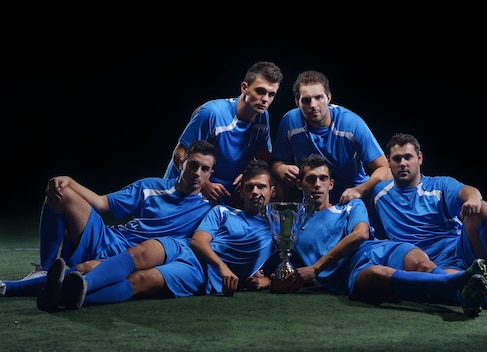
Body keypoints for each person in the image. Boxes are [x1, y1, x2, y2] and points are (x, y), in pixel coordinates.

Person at [275, 154, 487, 317]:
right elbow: (283, 264)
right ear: (301, 184)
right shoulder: (291, 222)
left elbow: (361, 234)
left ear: (332, 183)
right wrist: (270, 281)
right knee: (379, 275)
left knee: (423, 265)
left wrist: (316, 268)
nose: (318, 184)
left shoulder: (350, 205)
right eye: (311, 179)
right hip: (349, 274)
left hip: (381, 249)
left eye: (323, 179)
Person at [34, 159, 277, 311]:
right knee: (140, 251)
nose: (255, 192)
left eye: (261, 187)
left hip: (200, 271)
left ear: (273, 191)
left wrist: (268, 280)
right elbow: (198, 240)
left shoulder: (281, 224)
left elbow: (298, 265)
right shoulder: (223, 210)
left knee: (139, 280)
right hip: (180, 247)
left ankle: (65, 295)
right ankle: (57, 278)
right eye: (249, 187)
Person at [1, 140, 216, 298]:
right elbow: (102, 203)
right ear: (182, 164)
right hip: (109, 238)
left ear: (210, 174)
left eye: (204, 169)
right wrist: (69, 181)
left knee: (88, 269)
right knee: (60, 193)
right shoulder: (151, 186)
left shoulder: (211, 209)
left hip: (135, 259)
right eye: (193, 165)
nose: (197, 172)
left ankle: (10, 288)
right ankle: (45, 268)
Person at [371, 132, 487, 313]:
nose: (403, 163)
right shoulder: (379, 194)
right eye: (397, 159)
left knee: (481, 208)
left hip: (461, 252)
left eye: (408, 157)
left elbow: (469, 191)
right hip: (431, 265)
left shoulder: (438, 185)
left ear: (419, 158)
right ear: (389, 162)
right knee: (451, 283)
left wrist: (473, 199)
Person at [163, 61, 283, 208]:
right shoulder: (212, 113)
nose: (265, 99)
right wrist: (204, 183)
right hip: (185, 190)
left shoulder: (262, 116)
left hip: (221, 195)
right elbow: (179, 153)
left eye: (271, 94)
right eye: (260, 91)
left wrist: (249, 174)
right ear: (244, 88)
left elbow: (263, 156)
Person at [270, 70, 391, 205]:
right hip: (314, 194)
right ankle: (278, 220)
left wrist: (359, 190)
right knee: (276, 178)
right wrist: (280, 169)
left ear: (328, 97)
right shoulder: (290, 121)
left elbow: (384, 169)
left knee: (382, 187)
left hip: (351, 193)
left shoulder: (351, 124)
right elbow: (276, 162)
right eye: (306, 100)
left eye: (319, 97)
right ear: (297, 103)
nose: (313, 105)